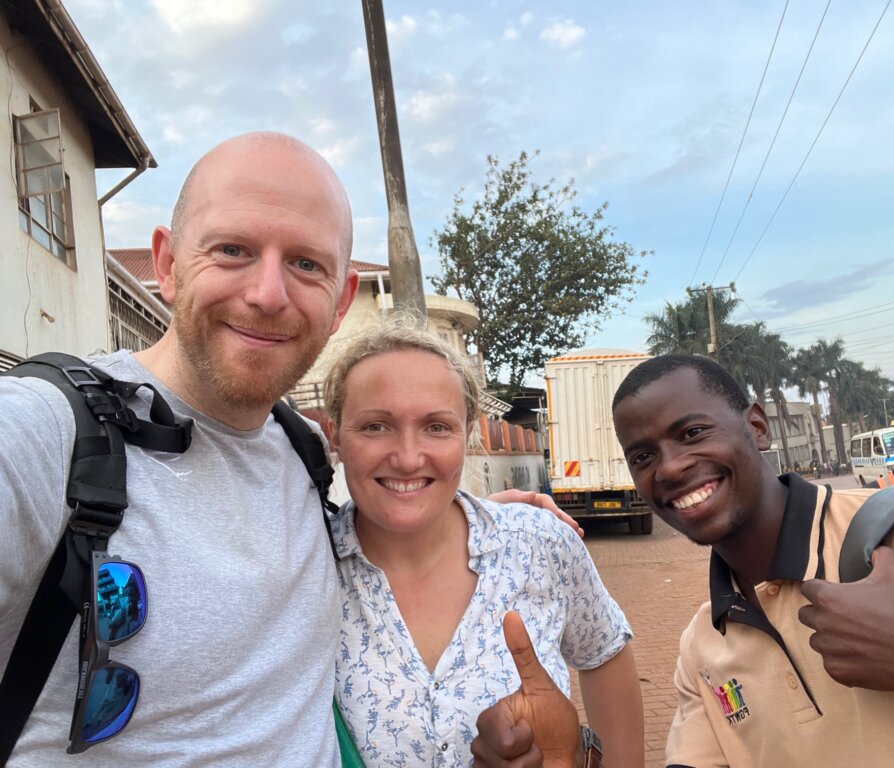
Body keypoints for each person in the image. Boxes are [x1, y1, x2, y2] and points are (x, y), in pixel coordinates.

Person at [0, 132, 572, 766]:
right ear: (166, 265)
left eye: (305, 264)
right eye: (233, 250)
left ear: (340, 299)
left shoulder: (300, 451)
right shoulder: (45, 433)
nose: (268, 294)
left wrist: (480, 518)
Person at [472, 353, 894, 768]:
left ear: (756, 427)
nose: (668, 468)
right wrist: (580, 759)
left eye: (692, 432)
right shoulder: (703, 649)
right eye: (643, 456)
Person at [323, 320, 643, 767]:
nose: (409, 457)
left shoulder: (539, 545)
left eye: (437, 427)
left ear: (468, 433)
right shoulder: (304, 566)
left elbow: (603, 652)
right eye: (376, 426)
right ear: (335, 435)